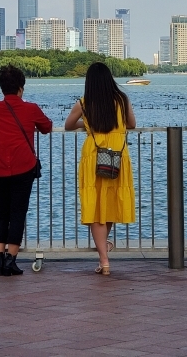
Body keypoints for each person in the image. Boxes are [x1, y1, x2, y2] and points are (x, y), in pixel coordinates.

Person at [64, 62, 136, 275]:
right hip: (116, 156)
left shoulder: (84, 103)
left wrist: (86, 124)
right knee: (110, 203)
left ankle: (104, 260)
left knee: (95, 208)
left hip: (94, 156)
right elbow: (131, 123)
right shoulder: (122, 100)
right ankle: (104, 252)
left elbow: (68, 125)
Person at [0, 64, 51, 276]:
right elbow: (47, 127)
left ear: (2, 88)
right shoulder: (30, 109)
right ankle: (11, 260)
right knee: (18, 212)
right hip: (23, 166)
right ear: (21, 88)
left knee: (1, 212)